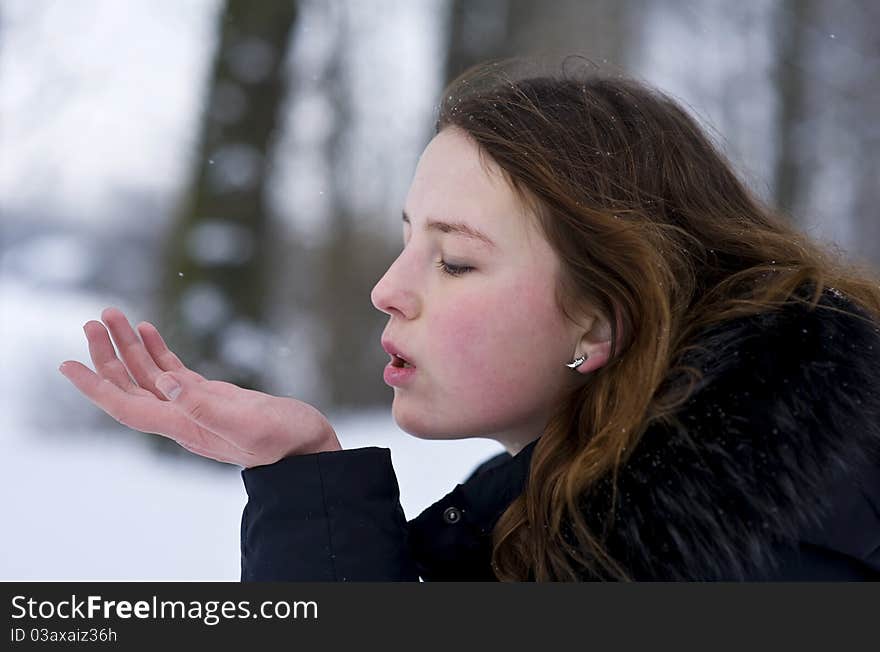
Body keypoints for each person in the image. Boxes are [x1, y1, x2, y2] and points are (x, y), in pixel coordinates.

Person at [60, 59, 880, 581]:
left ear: (598, 325)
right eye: (406, 239)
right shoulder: (583, 508)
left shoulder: (757, 563)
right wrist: (303, 472)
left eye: (454, 260)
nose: (387, 288)